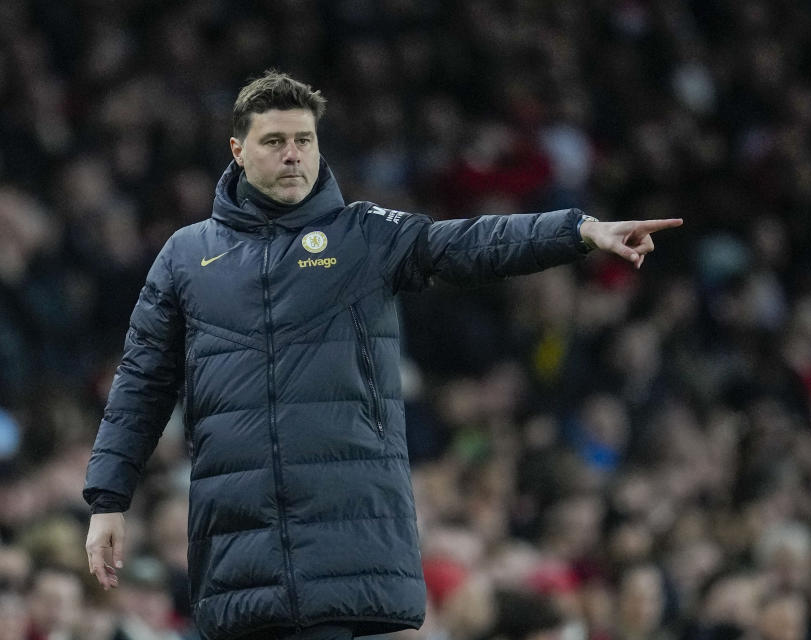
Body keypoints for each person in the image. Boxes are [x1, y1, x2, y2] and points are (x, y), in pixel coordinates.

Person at [82, 70, 682, 640]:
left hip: (344, 537)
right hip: (236, 547)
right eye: (275, 141)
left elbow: (468, 244)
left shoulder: (364, 235)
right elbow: (141, 381)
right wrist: (109, 500)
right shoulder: (186, 257)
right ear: (237, 150)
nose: (293, 154)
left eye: (304, 140)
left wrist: (577, 232)